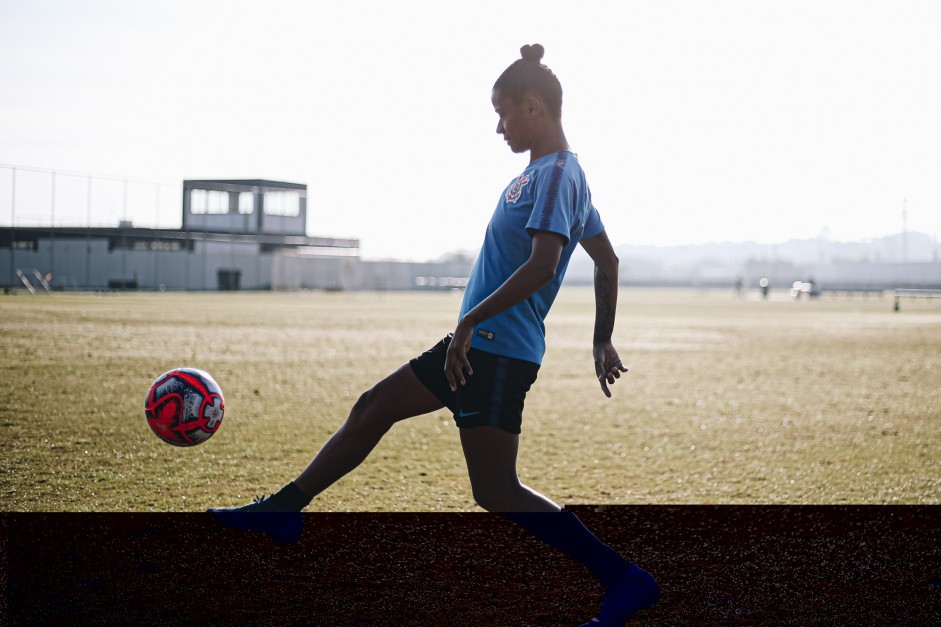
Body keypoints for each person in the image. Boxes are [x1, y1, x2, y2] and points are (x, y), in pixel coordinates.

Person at [210, 44, 659, 626]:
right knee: (374, 406)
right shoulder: (549, 176)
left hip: (494, 352)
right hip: (475, 350)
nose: (498, 127)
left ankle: (625, 579)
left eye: (503, 114)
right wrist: (601, 338)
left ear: (533, 106)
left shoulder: (557, 177)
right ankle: (285, 509)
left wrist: (469, 323)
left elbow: (548, 264)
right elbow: (608, 262)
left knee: (496, 490)